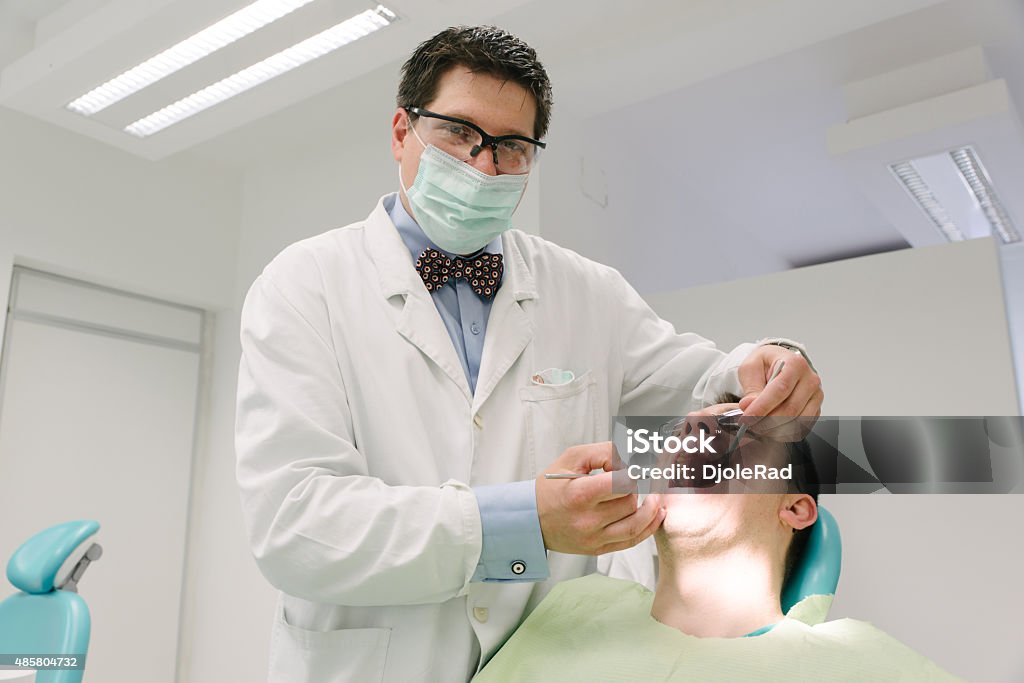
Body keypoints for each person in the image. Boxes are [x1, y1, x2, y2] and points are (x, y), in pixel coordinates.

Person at [234, 26, 824, 683]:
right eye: (459, 132)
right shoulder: (303, 285)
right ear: (402, 131)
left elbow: (704, 385)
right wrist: (521, 523)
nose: (483, 166)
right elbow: (297, 527)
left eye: (511, 147)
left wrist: (768, 360)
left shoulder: (585, 291)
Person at [473, 403, 959, 682]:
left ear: (794, 507)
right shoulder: (573, 606)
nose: (695, 435)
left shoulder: (863, 666)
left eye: (734, 431)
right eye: (683, 432)